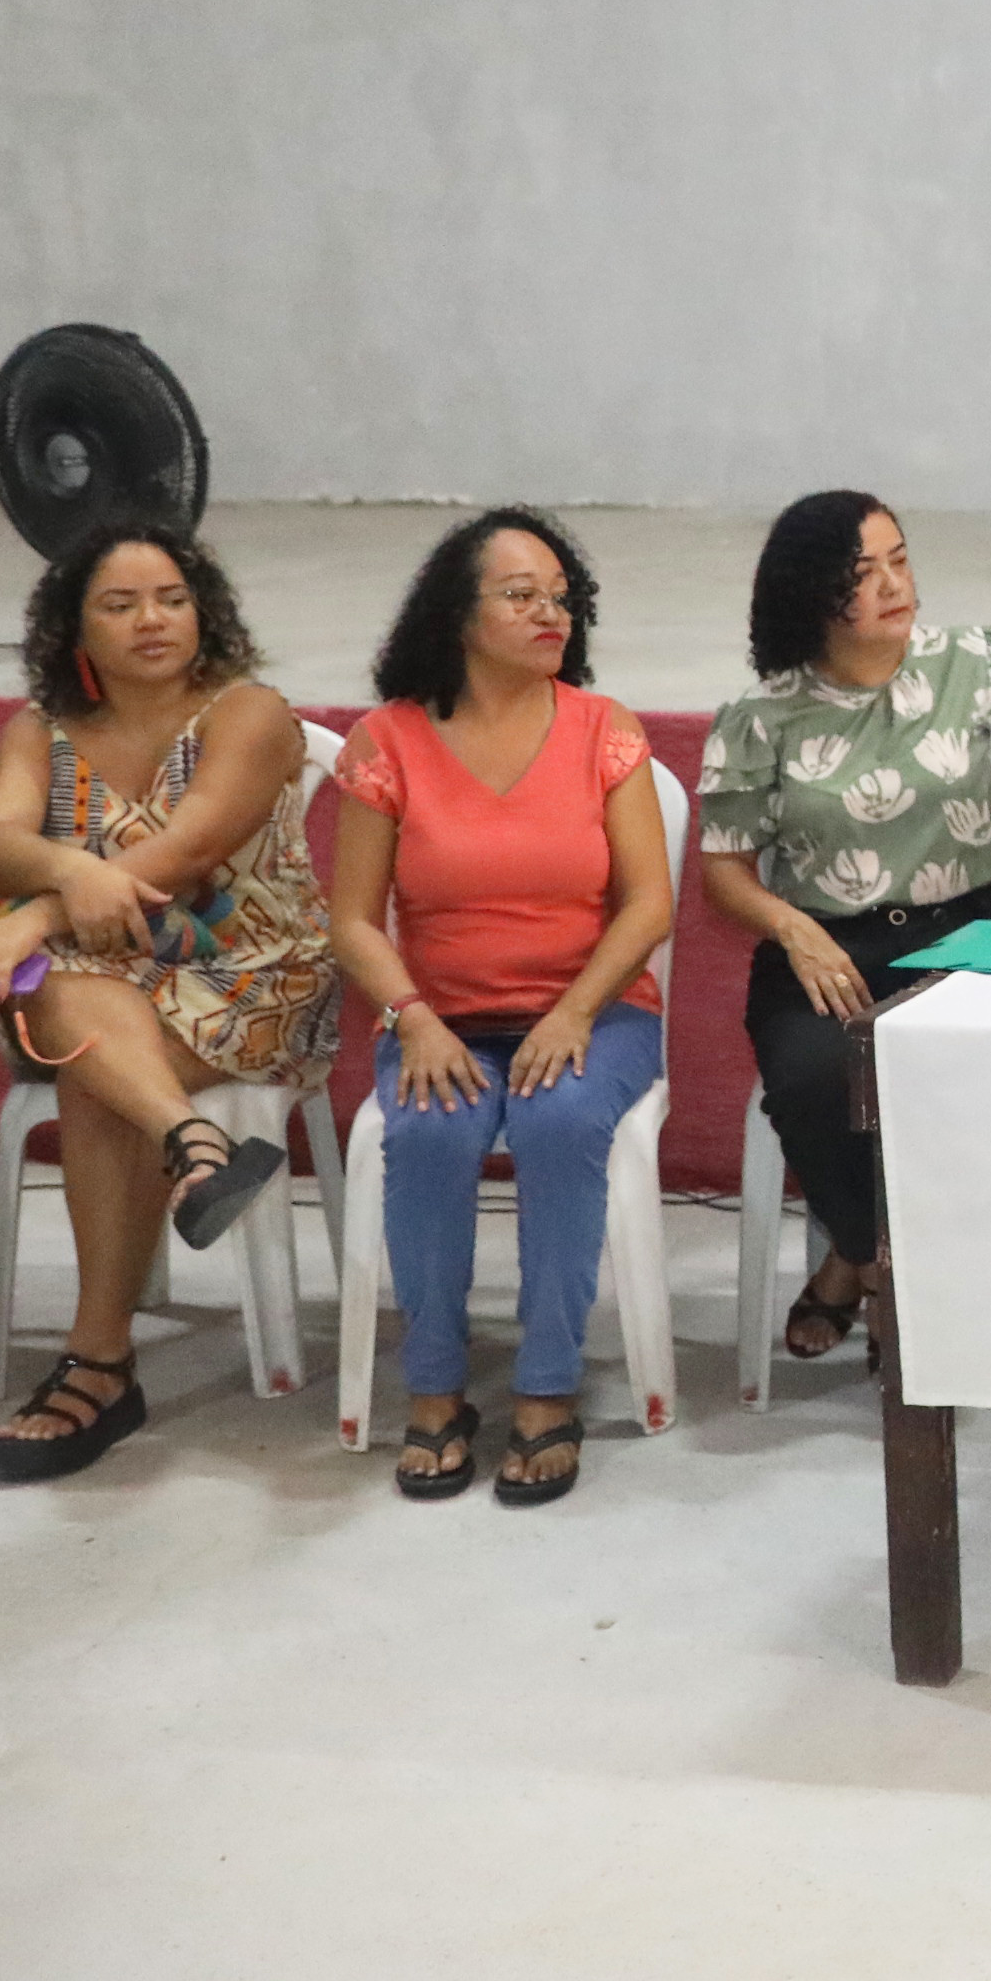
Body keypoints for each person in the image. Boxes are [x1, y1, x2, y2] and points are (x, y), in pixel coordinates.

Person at [0, 521, 335, 1482]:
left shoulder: (250, 714)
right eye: (120, 605)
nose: (152, 620)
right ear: (75, 627)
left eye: (171, 599)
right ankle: (193, 1143)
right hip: (100, 983)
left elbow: (185, 854)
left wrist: (40, 911)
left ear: (204, 612)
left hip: (254, 974)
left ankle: (98, 1364)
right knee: (79, 1006)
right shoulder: (41, 730)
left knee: (86, 1064)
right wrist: (70, 878)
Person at [696, 491, 991, 1372]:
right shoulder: (761, 715)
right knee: (814, 1080)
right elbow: (724, 871)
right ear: (811, 593)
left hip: (965, 932)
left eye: (900, 560)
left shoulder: (973, 660)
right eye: (863, 574)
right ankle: (874, 1263)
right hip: (827, 947)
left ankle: (864, 1267)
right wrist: (790, 927)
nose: (895, 585)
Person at [327, 511, 676, 1507]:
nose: (549, 613)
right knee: (430, 1129)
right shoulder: (388, 741)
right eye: (521, 595)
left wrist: (573, 1013)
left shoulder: (603, 729)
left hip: (594, 1013)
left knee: (560, 1120)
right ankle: (435, 1386)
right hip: (439, 1021)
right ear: (458, 612)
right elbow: (352, 920)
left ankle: (547, 1387)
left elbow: (649, 904)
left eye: (562, 597)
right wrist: (412, 1017)